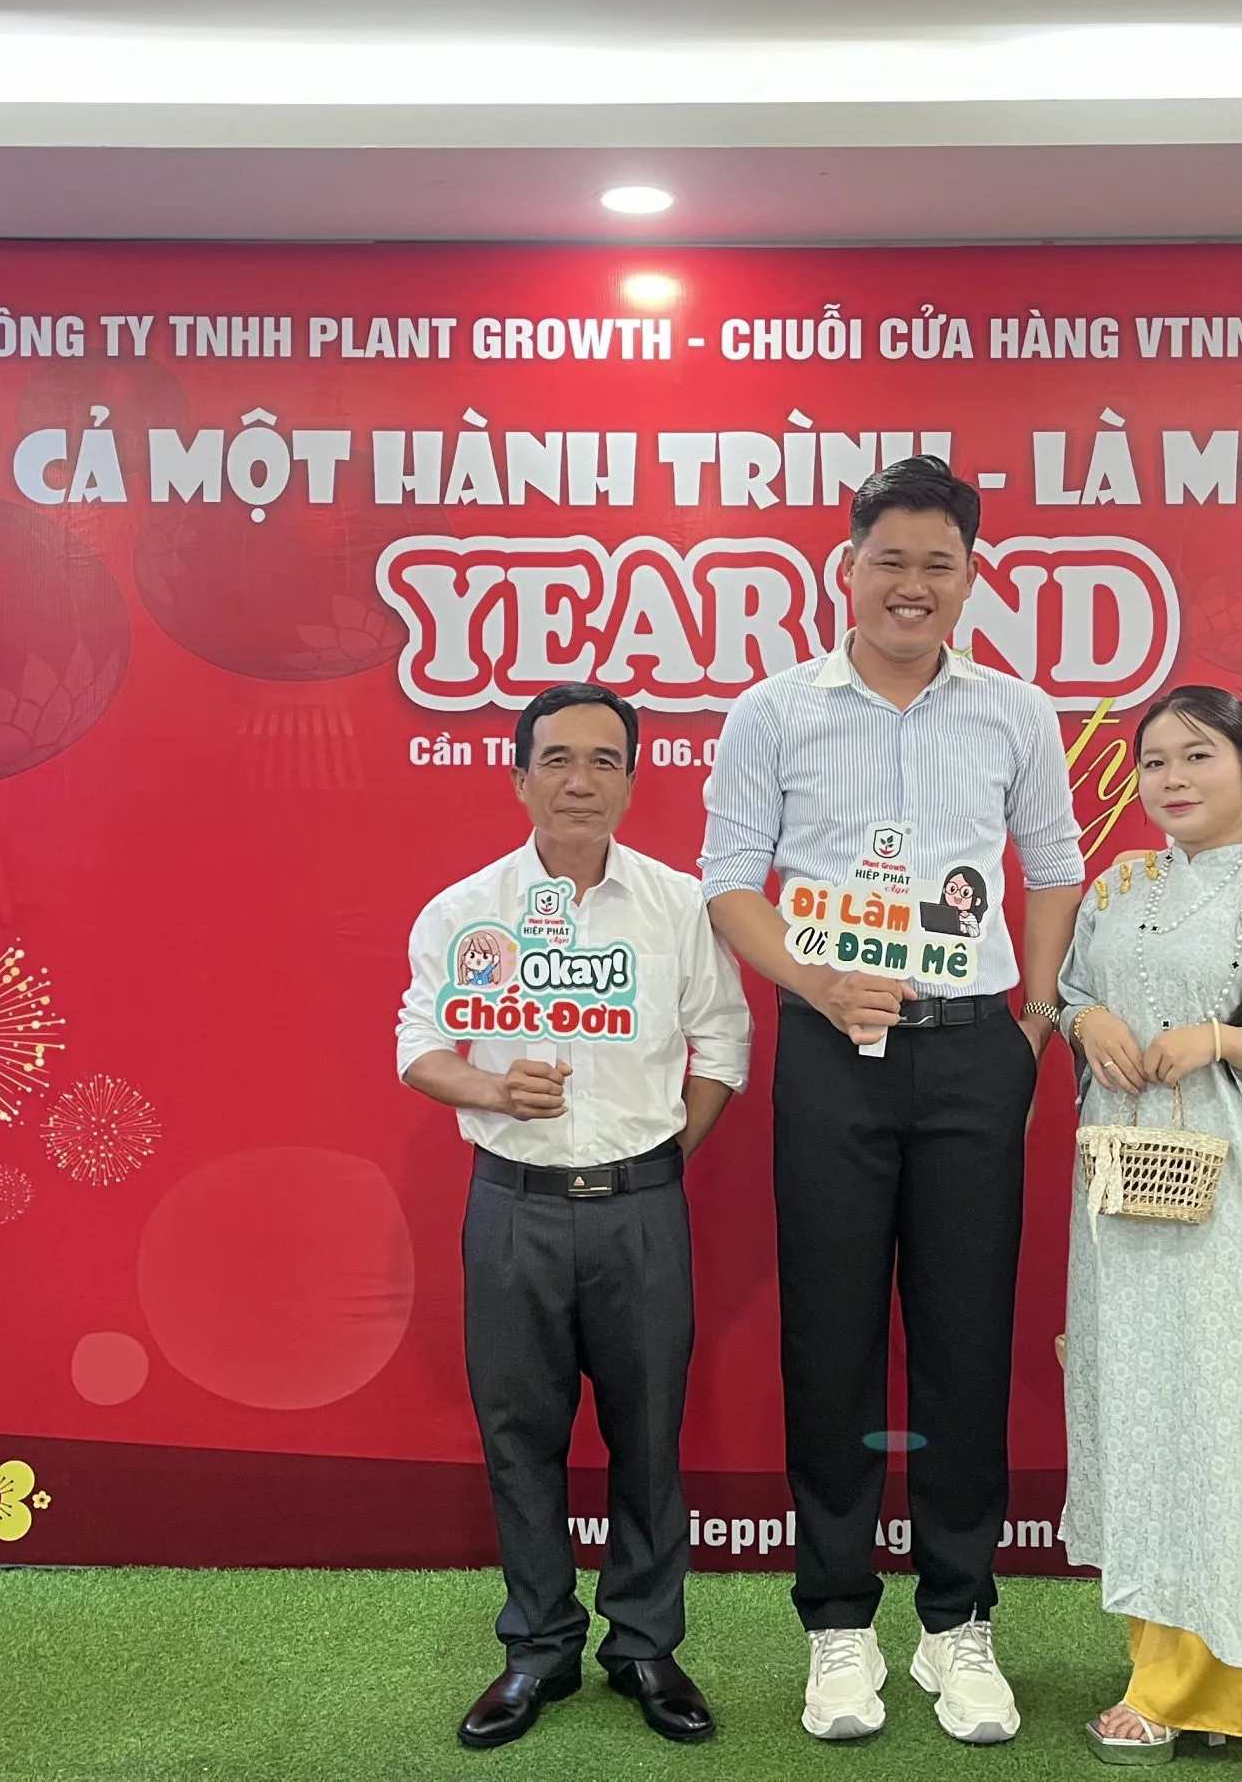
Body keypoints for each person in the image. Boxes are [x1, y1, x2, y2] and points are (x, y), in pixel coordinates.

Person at [700, 456, 1084, 1746]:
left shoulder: (1015, 712)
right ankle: (837, 1624)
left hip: (976, 1048)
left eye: (938, 564)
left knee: (967, 1339)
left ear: (971, 579)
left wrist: (1032, 1023)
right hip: (832, 1052)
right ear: (846, 567)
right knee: (831, 1335)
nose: (911, 585)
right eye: (889, 561)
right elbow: (729, 880)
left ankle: (958, 1622)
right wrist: (811, 981)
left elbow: (1055, 868)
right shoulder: (774, 712)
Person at [398, 682, 751, 1751]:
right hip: (512, 1208)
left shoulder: (679, 905)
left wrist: (659, 1157)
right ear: (519, 779)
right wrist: (493, 1089)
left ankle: (643, 1644)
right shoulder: (464, 911)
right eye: (557, 759)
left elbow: (723, 1042)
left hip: (640, 1211)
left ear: (633, 782)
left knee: (648, 1436)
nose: (580, 781)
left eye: (604, 760)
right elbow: (419, 1048)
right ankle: (538, 1648)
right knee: (520, 1436)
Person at [1055, 686, 1242, 1761]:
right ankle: (1158, 1661)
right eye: (1153, 762)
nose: (1171, 780)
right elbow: (1071, 990)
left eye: (1196, 756)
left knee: (1221, 1416)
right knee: (1142, 1407)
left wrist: (1223, 1043)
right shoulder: (1117, 886)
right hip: (1123, 1190)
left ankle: (1207, 1681)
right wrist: (1085, 1017)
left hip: (1234, 1205)